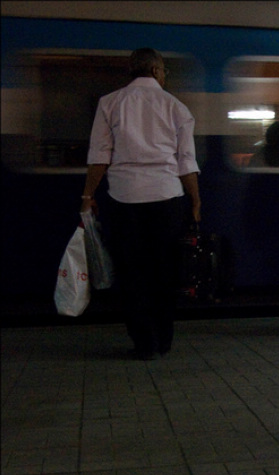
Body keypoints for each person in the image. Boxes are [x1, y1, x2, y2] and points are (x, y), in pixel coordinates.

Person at [80, 48, 201, 360]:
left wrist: (88, 196)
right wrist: (196, 200)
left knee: (132, 272)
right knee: (164, 271)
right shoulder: (176, 107)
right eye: (164, 72)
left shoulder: (109, 103)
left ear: (132, 70)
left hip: (124, 200)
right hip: (166, 199)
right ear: (156, 70)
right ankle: (164, 339)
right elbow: (186, 162)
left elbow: (99, 155)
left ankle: (144, 343)